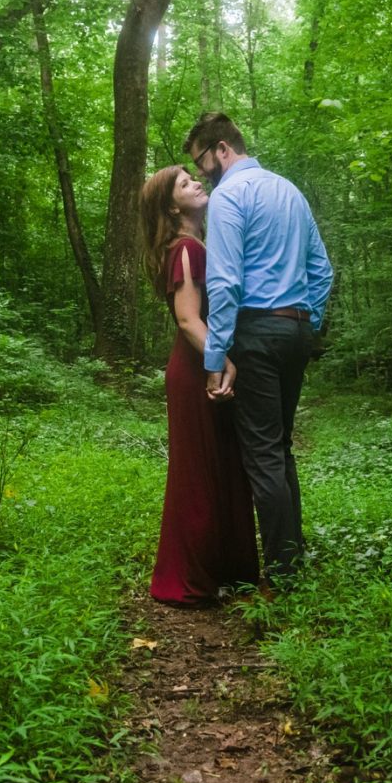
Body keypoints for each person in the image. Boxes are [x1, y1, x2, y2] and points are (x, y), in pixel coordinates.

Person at [186, 112, 332, 586]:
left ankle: (284, 574)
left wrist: (215, 360)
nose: (202, 172)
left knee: (264, 455)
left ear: (222, 149)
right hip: (294, 331)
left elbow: (225, 283)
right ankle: (294, 556)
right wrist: (307, 323)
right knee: (281, 447)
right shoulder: (289, 190)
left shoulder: (230, 195)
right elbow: (322, 271)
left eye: (202, 161)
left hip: (255, 334)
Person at [139, 164, 262, 607]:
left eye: (195, 177)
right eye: (185, 182)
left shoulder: (194, 244)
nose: (197, 182)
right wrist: (222, 361)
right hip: (196, 370)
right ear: (172, 206)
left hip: (202, 365)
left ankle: (225, 570)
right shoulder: (187, 249)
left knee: (223, 466)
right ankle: (190, 577)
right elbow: (189, 319)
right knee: (200, 473)